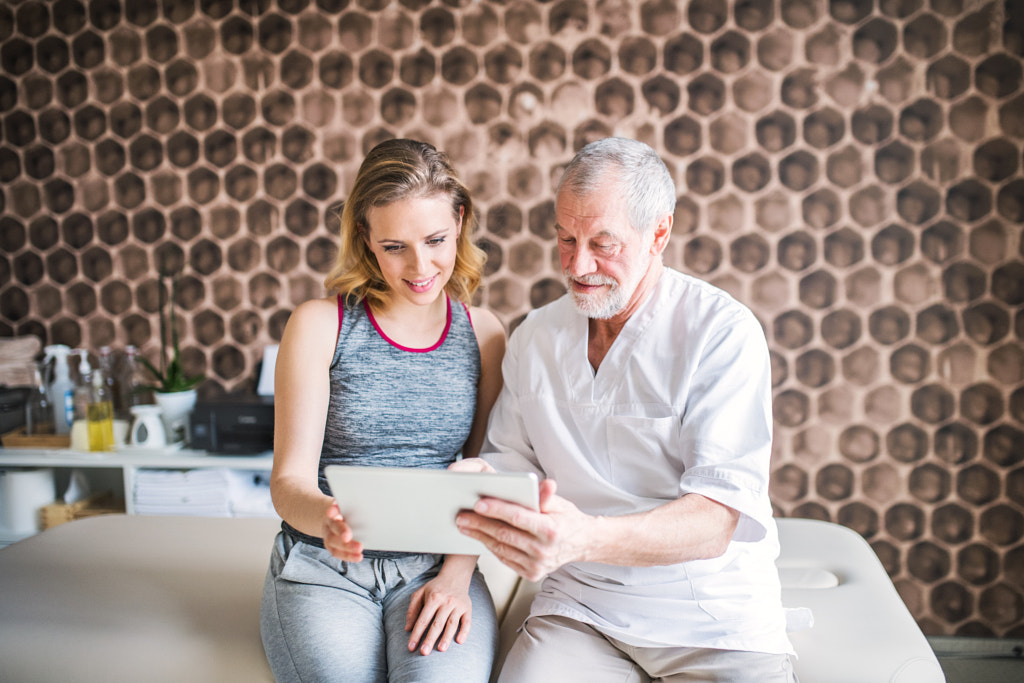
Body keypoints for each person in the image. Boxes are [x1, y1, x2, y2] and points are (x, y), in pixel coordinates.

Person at [452, 137, 796, 682]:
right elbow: (513, 464)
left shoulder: (721, 333)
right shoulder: (535, 337)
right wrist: (479, 483)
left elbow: (716, 519)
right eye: (566, 239)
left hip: (710, 616)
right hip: (582, 609)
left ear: (659, 233)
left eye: (603, 243)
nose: (579, 264)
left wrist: (583, 536)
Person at [261, 138, 506, 683]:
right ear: (366, 240)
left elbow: (485, 475)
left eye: (436, 239)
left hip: (436, 566)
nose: (421, 267)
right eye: (395, 246)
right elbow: (288, 482)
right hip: (324, 568)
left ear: (460, 221)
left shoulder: (485, 334)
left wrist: (456, 577)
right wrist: (329, 519)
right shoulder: (321, 324)